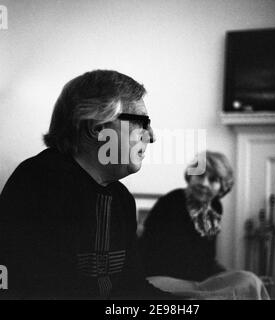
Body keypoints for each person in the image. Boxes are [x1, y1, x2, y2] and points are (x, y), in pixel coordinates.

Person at [0, 70, 175, 299]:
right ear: (98, 128)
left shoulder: (121, 198)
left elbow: (131, 289)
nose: (151, 136)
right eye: (140, 122)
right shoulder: (37, 184)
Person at [139, 151, 270, 299]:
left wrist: (229, 275)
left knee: (249, 279)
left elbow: (206, 259)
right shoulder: (171, 202)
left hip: (199, 282)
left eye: (213, 179)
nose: (204, 183)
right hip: (162, 279)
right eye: (200, 176)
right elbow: (152, 254)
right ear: (191, 176)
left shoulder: (215, 207)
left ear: (223, 186)